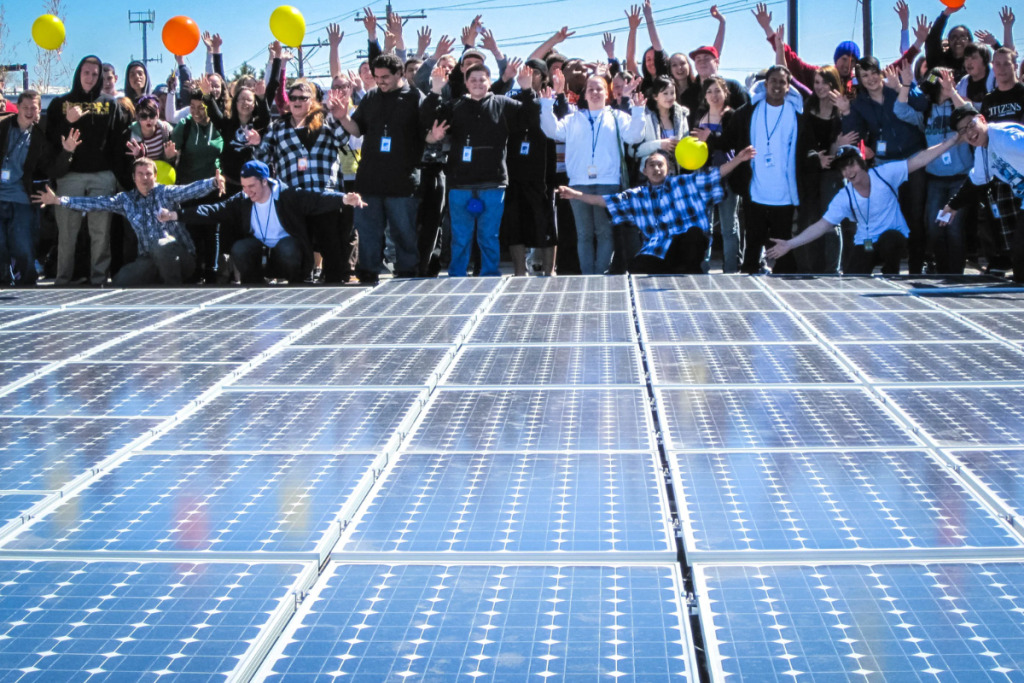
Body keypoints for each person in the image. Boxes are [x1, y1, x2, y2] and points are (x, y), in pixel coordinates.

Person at [767, 136, 964, 274]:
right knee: (854, 277)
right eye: (843, 168)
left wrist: (952, 141)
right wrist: (790, 244)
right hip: (867, 243)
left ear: (861, 163)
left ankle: (891, 275)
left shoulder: (884, 174)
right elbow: (821, 226)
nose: (848, 171)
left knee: (891, 239)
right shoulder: (845, 196)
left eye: (851, 164)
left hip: (892, 239)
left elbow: (919, 160)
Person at [159, 160, 367, 284]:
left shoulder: (286, 195)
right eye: (244, 187)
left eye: (252, 186)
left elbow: (316, 198)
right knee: (240, 248)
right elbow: (213, 211)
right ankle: (254, 284)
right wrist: (176, 215)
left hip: (287, 251)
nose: (248, 192)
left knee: (288, 247)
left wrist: (343, 199)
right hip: (261, 251)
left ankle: (296, 282)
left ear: (265, 181)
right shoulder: (243, 200)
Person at [557, 146, 755, 274]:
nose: (656, 169)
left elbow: (716, 174)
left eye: (660, 165)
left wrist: (738, 158)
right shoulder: (637, 196)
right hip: (659, 250)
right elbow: (604, 201)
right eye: (652, 165)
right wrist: (576, 195)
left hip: (686, 247)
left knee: (694, 235)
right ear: (645, 171)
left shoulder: (686, 183)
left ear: (668, 168)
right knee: (636, 268)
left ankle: (689, 274)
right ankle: (672, 271)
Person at [33, 159, 225, 286]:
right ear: (133, 178)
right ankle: (157, 280)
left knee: (162, 243)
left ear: (155, 176)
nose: (145, 178)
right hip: (149, 259)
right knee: (121, 280)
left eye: (149, 174)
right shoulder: (125, 200)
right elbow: (96, 203)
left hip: (182, 259)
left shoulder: (166, 192)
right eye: (140, 174)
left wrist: (214, 183)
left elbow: (190, 190)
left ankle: (172, 292)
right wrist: (59, 200)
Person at [423, 64, 538, 278]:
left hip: (493, 182)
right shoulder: (454, 105)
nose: (477, 83)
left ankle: (489, 275)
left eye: (482, 79)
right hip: (460, 183)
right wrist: (436, 90)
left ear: (489, 81)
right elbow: (427, 118)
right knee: (461, 236)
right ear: (466, 83)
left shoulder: (503, 104)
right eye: (473, 80)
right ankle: (457, 275)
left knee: (489, 235)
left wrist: (527, 90)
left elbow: (529, 118)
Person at [246, 80, 352, 284]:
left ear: (311, 101)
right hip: (295, 196)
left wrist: (337, 114)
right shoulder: (278, 127)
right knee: (301, 243)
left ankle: (334, 282)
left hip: (325, 193)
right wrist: (257, 143)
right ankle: (301, 281)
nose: (296, 101)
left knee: (330, 242)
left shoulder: (326, 120)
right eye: (292, 97)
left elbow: (342, 141)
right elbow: (263, 160)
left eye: (302, 98)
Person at [540, 73, 646, 274]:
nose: (595, 93)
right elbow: (552, 131)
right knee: (584, 234)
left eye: (599, 89)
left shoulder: (617, 116)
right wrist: (546, 105)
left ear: (606, 94)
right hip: (578, 183)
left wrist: (638, 110)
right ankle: (589, 276)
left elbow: (634, 136)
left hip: (608, 182)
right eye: (591, 89)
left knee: (605, 233)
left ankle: (600, 275)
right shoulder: (572, 118)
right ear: (585, 94)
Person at [334, 53, 426, 282]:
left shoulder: (416, 97)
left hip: (403, 181)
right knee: (368, 232)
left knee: (403, 233)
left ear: (400, 74)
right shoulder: (372, 96)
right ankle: (368, 273)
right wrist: (344, 117)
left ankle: (407, 273)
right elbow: (357, 130)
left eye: (385, 77)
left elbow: (427, 134)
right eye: (377, 77)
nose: (380, 81)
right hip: (369, 180)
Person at [45, 55, 132, 286]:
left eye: (95, 74)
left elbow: (117, 141)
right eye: (86, 72)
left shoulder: (110, 103)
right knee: (67, 233)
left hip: (102, 176)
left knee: (101, 233)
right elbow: (51, 139)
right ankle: (62, 280)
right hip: (70, 176)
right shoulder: (60, 103)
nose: (90, 77)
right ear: (78, 73)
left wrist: (116, 174)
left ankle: (99, 280)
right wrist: (67, 121)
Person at [842, 56, 929, 273]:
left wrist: (903, 87)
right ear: (860, 80)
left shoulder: (894, 87)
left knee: (915, 218)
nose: (870, 79)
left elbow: (922, 104)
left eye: (873, 73)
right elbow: (855, 133)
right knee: (888, 218)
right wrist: (846, 114)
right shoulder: (860, 103)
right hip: (885, 166)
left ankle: (916, 268)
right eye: (864, 76)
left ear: (880, 72)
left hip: (913, 161)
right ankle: (891, 266)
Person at [723, 64, 803, 274]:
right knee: (753, 239)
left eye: (782, 82)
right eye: (773, 81)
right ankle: (749, 278)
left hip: (784, 191)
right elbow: (728, 138)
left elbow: (806, 147)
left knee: (781, 240)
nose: (777, 85)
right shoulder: (750, 110)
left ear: (788, 87)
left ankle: (785, 280)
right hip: (755, 188)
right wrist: (710, 139)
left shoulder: (796, 113)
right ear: (765, 84)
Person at [894, 66, 973, 273]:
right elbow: (900, 110)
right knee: (934, 226)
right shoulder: (926, 110)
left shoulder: (960, 103)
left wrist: (952, 93)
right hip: (936, 179)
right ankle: (942, 271)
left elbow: (972, 118)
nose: (949, 81)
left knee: (954, 229)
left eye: (952, 78)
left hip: (960, 178)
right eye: (944, 79)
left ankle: (956, 275)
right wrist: (905, 85)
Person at [753, 1, 925, 92]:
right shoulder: (819, 75)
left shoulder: (862, 79)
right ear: (836, 60)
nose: (847, 64)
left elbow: (898, 65)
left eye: (852, 61)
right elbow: (791, 59)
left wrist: (918, 43)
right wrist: (768, 29)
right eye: (844, 59)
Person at [943, 105, 1024, 282]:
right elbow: (975, 181)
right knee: (1019, 255)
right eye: (963, 131)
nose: (969, 133)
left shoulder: (1005, 138)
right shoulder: (982, 151)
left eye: (971, 125)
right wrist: (952, 205)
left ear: (982, 119)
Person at [794, 66, 856, 273]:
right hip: (810, 175)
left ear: (834, 83)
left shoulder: (842, 112)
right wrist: (815, 158)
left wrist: (834, 147)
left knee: (831, 223)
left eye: (825, 82)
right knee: (810, 221)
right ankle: (809, 267)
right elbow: (802, 146)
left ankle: (833, 270)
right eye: (817, 82)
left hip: (834, 175)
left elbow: (846, 149)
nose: (820, 87)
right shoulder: (807, 109)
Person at [502, 59, 558, 277]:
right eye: (526, 71)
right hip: (514, 171)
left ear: (544, 77)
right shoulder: (513, 98)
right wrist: (515, 84)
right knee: (514, 224)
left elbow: (538, 117)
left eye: (535, 73)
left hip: (542, 173)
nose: (530, 76)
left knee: (545, 223)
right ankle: (518, 271)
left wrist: (528, 92)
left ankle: (549, 270)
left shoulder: (549, 99)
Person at [691, 76, 742, 273]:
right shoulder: (699, 117)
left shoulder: (731, 116)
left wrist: (710, 138)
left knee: (729, 227)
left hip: (727, 176)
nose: (714, 95)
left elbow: (731, 143)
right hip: (703, 176)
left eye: (718, 91)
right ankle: (702, 268)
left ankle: (730, 269)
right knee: (705, 227)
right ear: (704, 96)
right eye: (710, 91)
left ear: (725, 93)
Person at [0, 91, 47, 287]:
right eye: (25, 107)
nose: (29, 111)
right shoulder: (3, 127)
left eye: (33, 108)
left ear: (39, 110)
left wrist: (68, 151)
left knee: (22, 246)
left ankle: (27, 283)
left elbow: (50, 167)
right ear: (17, 107)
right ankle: (3, 281)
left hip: (20, 196)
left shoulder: (40, 136)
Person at [634, 75, 690, 177]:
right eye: (665, 93)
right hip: (650, 177)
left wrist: (681, 146)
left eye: (672, 93)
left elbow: (686, 143)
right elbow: (634, 151)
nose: (670, 97)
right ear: (655, 96)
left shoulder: (681, 115)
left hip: (675, 176)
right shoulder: (644, 116)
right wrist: (660, 144)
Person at [689, 45, 749, 112]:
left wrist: (730, 113)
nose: (702, 61)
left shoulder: (733, 86)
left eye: (706, 58)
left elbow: (747, 114)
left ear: (717, 62)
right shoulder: (690, 93)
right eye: (698, 59)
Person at [126, 96, 174, 161]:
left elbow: (171, 158)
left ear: (157, 114)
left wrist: (168, 157)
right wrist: (138, 157)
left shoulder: (165, 130)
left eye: (152, 115)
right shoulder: (132, 135)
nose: (148, 119)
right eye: (143, 116)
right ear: (137, 117)